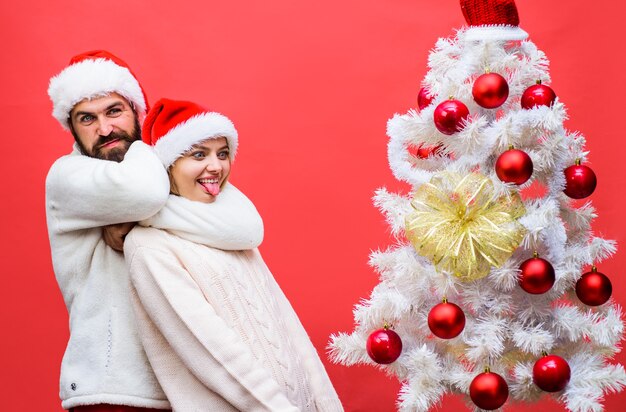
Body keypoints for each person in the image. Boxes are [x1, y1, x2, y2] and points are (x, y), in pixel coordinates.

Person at [125, 98, 344, 411]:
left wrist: (327, 404)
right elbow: (211, 350)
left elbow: (288, 329)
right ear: (169, 164)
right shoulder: (149, 246)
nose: (216, 166)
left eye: (222, 153)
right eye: (199, 154)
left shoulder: (233, 232)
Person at [46, 50, 171, 411]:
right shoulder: (67, 176)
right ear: (72, 128)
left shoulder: (146, 169)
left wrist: (139, 226)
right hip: (112, 387)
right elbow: (147, 193)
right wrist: (149, 143)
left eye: (114, 111)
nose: (104, 129)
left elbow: (239, 225)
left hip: (182, 386)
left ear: (137, 110)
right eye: (87, 118)